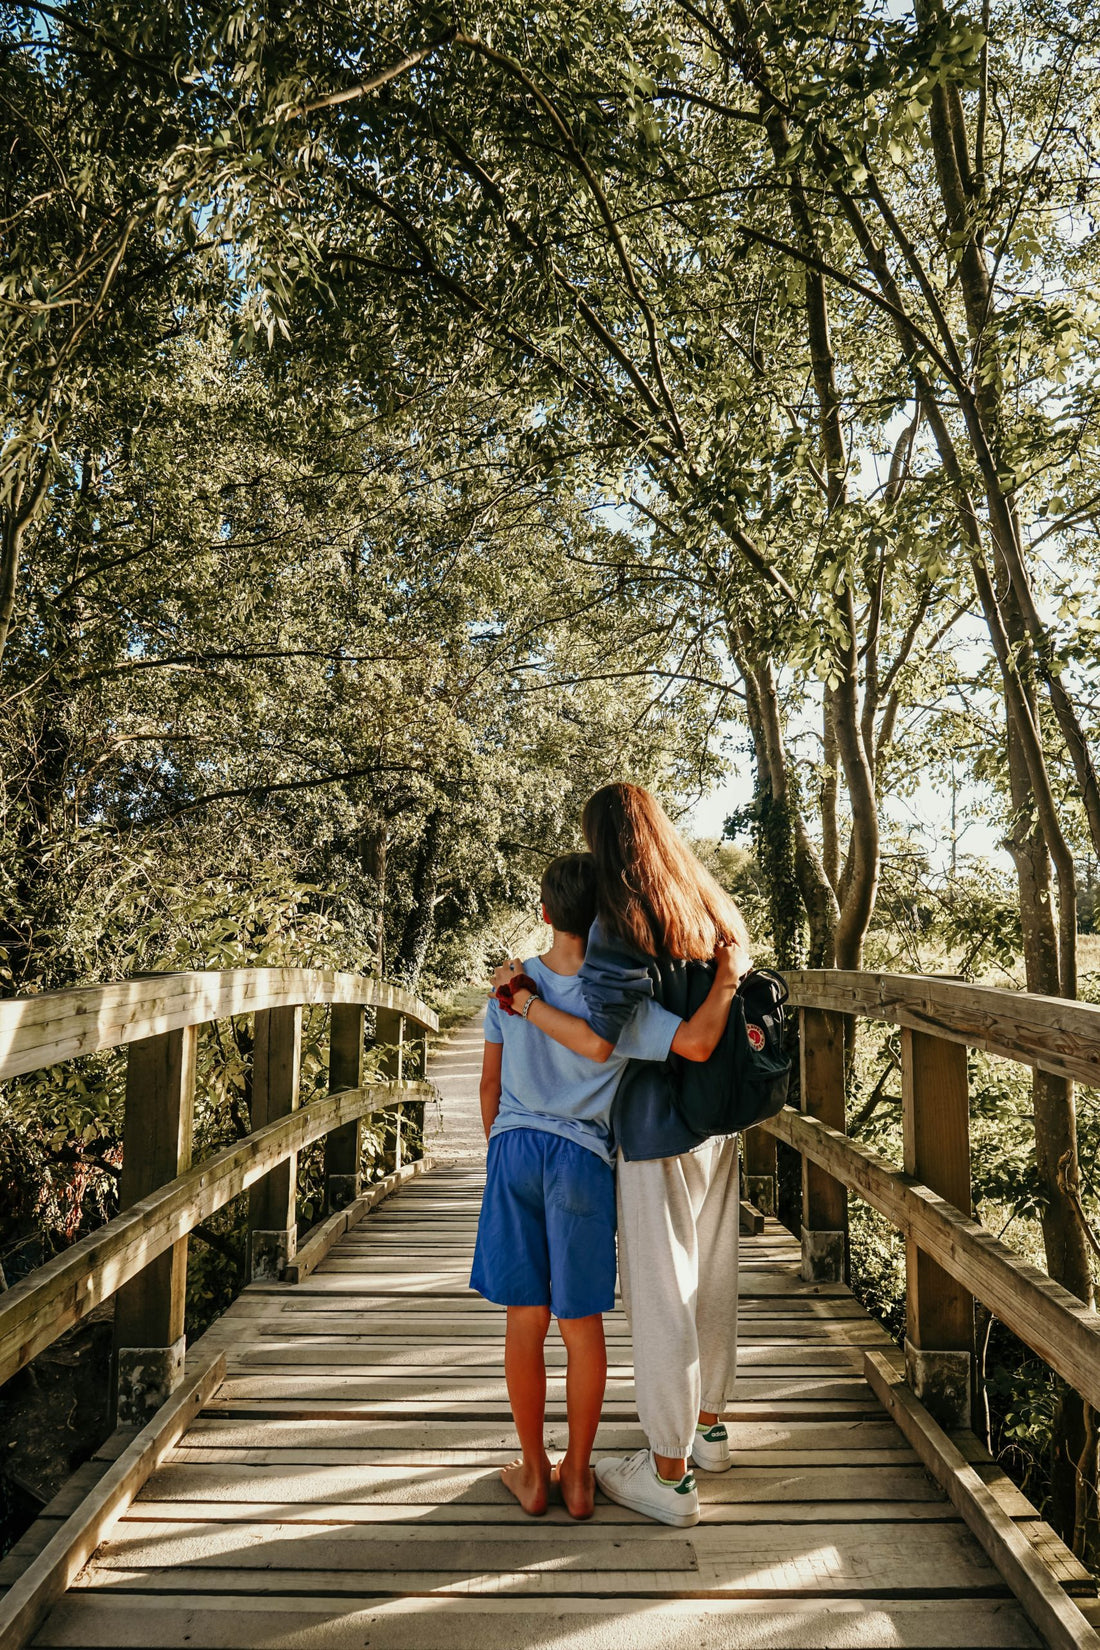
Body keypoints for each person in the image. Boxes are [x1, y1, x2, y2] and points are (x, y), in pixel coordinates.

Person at [493, 783, 752, 1529]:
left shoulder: (621, 922)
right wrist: (729, 981)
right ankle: (708, 1431)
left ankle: (669, 1476)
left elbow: (606, 1040)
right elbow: (712, 1022)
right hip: (720, 1122)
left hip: (656, 1128)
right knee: (712, 1275)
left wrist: (527, 1005)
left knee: (661, 1290)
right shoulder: (707, 902)